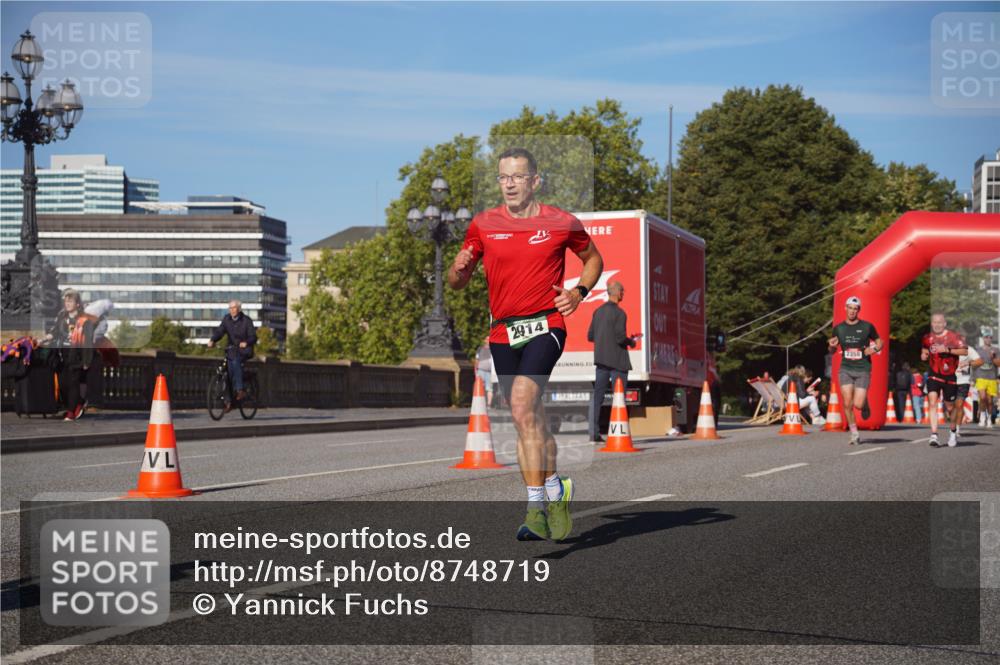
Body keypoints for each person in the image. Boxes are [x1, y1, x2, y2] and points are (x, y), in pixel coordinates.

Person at [448, 147, 603, 542]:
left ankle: (535, 507)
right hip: (503, 331)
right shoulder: (484, 224)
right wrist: (458, 268)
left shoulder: (561, 222)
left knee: (520, 403)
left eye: (518, 176)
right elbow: (457, 281)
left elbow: (593, 259)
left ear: (535, 180)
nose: (510, 184)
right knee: (526, 417)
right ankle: (556, 489)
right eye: (503, 177)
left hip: (546, 325)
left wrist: (579, 292)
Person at [586, 280, 640, 443]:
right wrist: (631, 342)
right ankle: (618, 432)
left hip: (601, 361)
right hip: (617, 362)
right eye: (622, 291)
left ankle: (593, 434)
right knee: (619, 398)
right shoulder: (620, 313)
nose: (623, 294)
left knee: (598, 397)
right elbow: (619, 338)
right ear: (617, 293)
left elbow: (590, 336)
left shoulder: (598, 311)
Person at [828, 296, 882, 444]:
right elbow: (832, 350)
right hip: (845, 368)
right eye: (850, 308)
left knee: (857, 404)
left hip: (863, 368)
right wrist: (832, 346)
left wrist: (874, 348)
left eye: (855, 309)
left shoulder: (867, 326)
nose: (852, 311)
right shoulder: (838, 328)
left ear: (858, 310)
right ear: (845, 308)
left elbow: (879, 341)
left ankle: (865, 403)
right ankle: (854, 433)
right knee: (847, 403)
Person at [44, 289, 95, 421]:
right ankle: (77, 404)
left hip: (76, 356)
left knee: (73, 384)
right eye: (66, 301)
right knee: (63, 384)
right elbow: (54, 332)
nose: (67, 304)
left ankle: (71, 412)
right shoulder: (62, 317)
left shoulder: (85, 321)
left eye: (70, 301)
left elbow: (88, 342)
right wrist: (42, 340)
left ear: (77, 304)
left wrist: (86, 361)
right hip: (62, 355)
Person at [921, 312, 968, 447]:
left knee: (949, 407)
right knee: (932, 401)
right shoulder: (927, 337)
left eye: (939, 322)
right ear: (932, 324)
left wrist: (947, 349)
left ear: (944, 323)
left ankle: (953, 431)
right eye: (935, 322)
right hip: (934, 374)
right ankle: (934, 435)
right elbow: (924, 350)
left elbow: (964, 351)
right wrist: (924, 355)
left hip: (950, 376)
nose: (937, 325)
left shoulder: (954, 337)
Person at [207, 300, 257, 412]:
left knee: (236, 361)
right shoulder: (227, 319)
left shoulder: (246, 321)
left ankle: (240, 389)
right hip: (232, 350)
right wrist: (212, 340)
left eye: (234, 308)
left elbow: (253, 337)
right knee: (227, 375)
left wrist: (246, 343)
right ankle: (229, 402)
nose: (232, 310)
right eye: (230, 308)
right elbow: (220, 331)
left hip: (245, 350)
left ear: (239, 309)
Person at [974, 329, 999, 428]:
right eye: (986, 337)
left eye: (990, 337)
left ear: (992, 339)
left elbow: (998, 364)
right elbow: (974, 365)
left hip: (992, 377)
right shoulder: (978, 350)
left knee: (989, 401)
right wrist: (972, 378)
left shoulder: (996, 350)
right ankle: (982, 417)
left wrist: (993, 357)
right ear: (983, 338)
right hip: (980, 377)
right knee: (982, 397)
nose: (988, 339)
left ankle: (989, 418)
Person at [954, 343, 981, 438]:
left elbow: (980, 361)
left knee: (960, 404)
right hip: (950, 379)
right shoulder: (949, 348)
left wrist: (968, 363)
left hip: (963, 380)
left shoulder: (969, 349)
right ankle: (954, 424)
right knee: (951, 406)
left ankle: (956, 429)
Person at [476, 336, 494, 406]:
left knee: (489, 388)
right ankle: (481, 403)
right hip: (481, 370)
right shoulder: (480, 349)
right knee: (481, 387)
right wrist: (476, 370)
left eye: (490, 339)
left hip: (490, 372)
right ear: (485, 340)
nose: (488, 340)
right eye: (487, 339)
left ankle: (489, 404)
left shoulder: (494, 349)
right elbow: (477, 359)